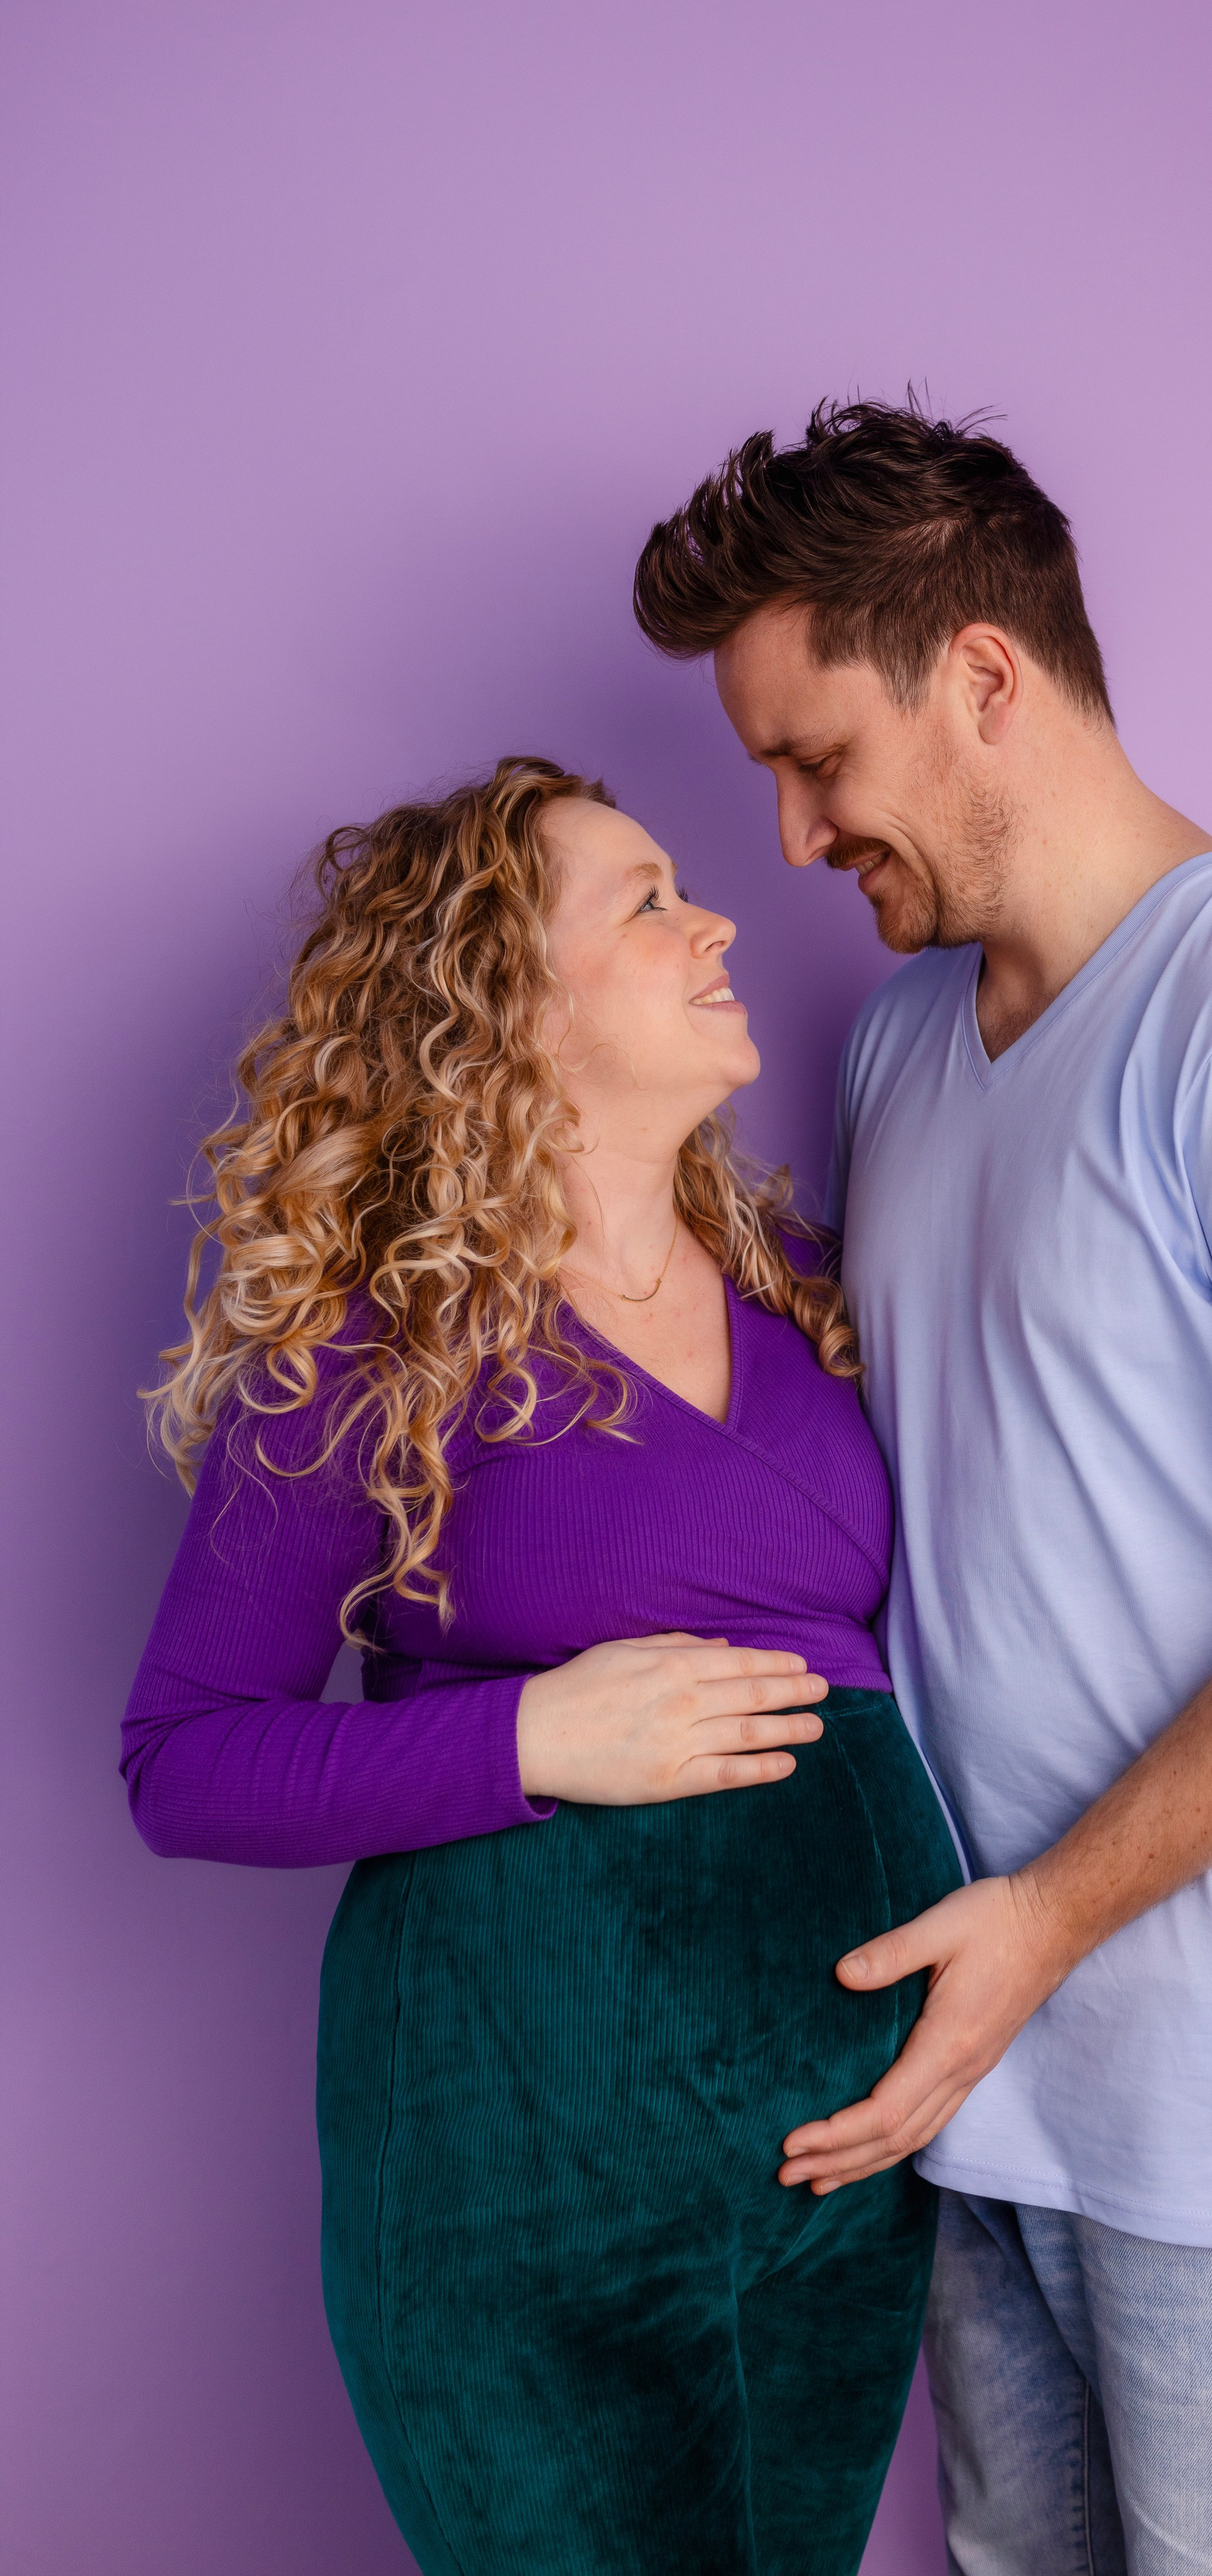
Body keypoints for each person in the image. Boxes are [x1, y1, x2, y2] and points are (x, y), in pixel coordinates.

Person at [634, 403, 1212, 2576]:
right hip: (972, 2066)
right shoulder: (902, 1052)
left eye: (815, 755)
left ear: (986, 680)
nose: (790, 830)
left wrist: (1051, 1921)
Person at [120, 755, 962, 2576]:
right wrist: (534, 1734)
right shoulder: (370, 1345)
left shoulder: (810, 1293)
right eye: (649, 898)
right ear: (507, 997)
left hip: (834, 2175)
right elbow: (182, 1759)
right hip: (516, 2189)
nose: (719, 915)